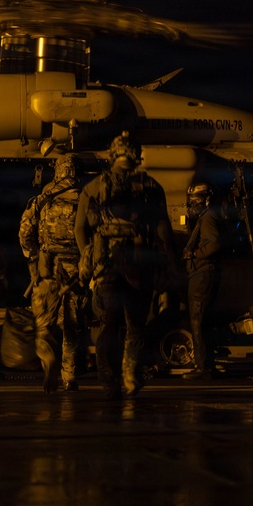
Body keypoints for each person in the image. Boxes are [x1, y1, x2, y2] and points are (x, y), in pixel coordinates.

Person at [75, 131, 180, 399]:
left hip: (105, 264)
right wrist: (172, 264)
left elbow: (80, 228)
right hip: (139, 263)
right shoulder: (151, 186)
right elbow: (163, 227)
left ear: (112, 154)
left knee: (108, 323)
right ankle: (131, 376)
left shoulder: (94, 186)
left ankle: (108, 382)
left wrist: (87, 256)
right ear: (136, 154)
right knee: (135, 324)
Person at [18, 153, 88, 393]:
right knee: (71, 325)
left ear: (58, 171)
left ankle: (48, 360)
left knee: (45, 323)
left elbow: (25, 231)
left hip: (46, 268)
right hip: (74, 269)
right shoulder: (85, 198)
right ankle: (70, 376)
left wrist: (33, 258)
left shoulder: (43, 199)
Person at [181, 182, 223, 379]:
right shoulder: (204, 217)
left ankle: (202, 367)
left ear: (206, 198)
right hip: (203, 273)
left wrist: (195, 254)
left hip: (202, 274)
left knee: (197, 321)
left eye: (196, 199)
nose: (192, 203)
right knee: (203, 321)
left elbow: (214, 243)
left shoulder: (208, 218)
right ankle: (207, 365)